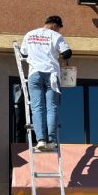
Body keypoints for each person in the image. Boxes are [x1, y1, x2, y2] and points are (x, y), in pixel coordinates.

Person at [20, 15, 72, 151]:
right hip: (51, 75)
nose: (59, 31)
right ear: (55, 25)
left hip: (34, 74)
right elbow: (67, 53)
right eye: (59, 28)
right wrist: (57, 55)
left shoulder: (29, 35)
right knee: (52, 108)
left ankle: (41, 140)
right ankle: (51, 139)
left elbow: (23, 52)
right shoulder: (55, 36)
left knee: (37, 108)